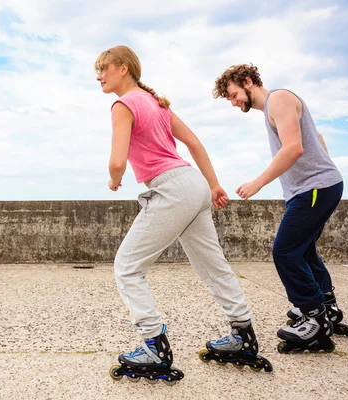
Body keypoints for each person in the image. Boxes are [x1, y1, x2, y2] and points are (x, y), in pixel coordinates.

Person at [96, 46, 272, 385]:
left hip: (171, 189)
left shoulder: (122, 104)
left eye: (103, 69)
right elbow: (194, 143)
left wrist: (115, 180)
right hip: (194, 184)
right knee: (212, 265)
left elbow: (117, 161)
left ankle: (154, 345)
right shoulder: (157, 103)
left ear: (122, 67)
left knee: (127, 266)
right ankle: (243, 336)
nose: (99, 77)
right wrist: (214, 185)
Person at [212, 64, 348, 354]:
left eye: (233, 94)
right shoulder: (275, 107)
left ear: (248, 82)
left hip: (314, 189)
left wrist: (258, 183)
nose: (233, 102)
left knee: (285, 252)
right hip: (314, 188)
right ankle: (327, 308)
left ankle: (313, 317)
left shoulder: (278, 99)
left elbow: (294, 148)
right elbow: (318, 139)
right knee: (302, 250)